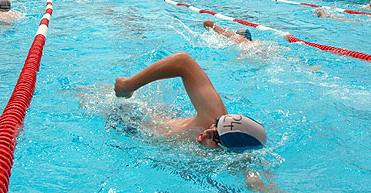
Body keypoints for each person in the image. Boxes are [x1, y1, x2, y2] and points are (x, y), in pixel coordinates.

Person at [113, 51, 267, 154]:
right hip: (130, 121)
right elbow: (183, 62)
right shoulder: (212, 115)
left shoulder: (232, 160)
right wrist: (128, 85)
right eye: (216, 124)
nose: (207, 131)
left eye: (216, 137)